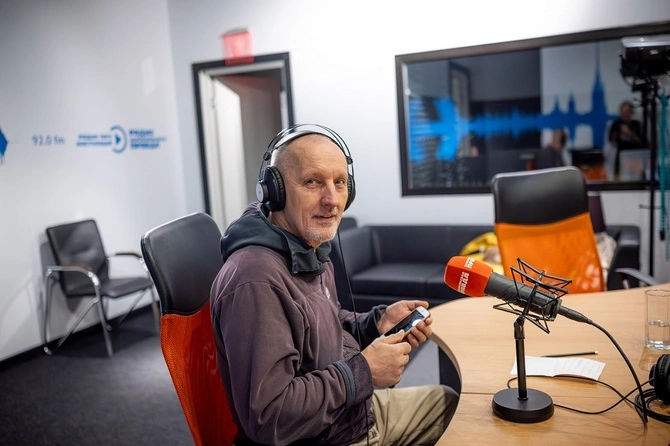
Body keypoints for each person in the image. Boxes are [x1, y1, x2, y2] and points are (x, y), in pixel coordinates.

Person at [210, 124, 458, 446]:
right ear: (275, 191)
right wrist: (364, 372)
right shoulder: (255, 280)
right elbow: (269, 416)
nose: (332, 200)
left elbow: (324, 325)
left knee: (451, 405)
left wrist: (375, 323)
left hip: (351, 416)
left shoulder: (309, 249)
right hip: (327, 438)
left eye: (339, 183)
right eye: (312, 182)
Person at [608, 100, 646, 177]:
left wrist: (629, 134)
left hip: (635, 154)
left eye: (627, 112)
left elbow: (642, 142)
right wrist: (618, 135)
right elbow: (611, 140)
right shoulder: (616, 124)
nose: (625, 114)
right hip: (621, 154)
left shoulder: (636, 124)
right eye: (623, 112)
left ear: (631, 112)